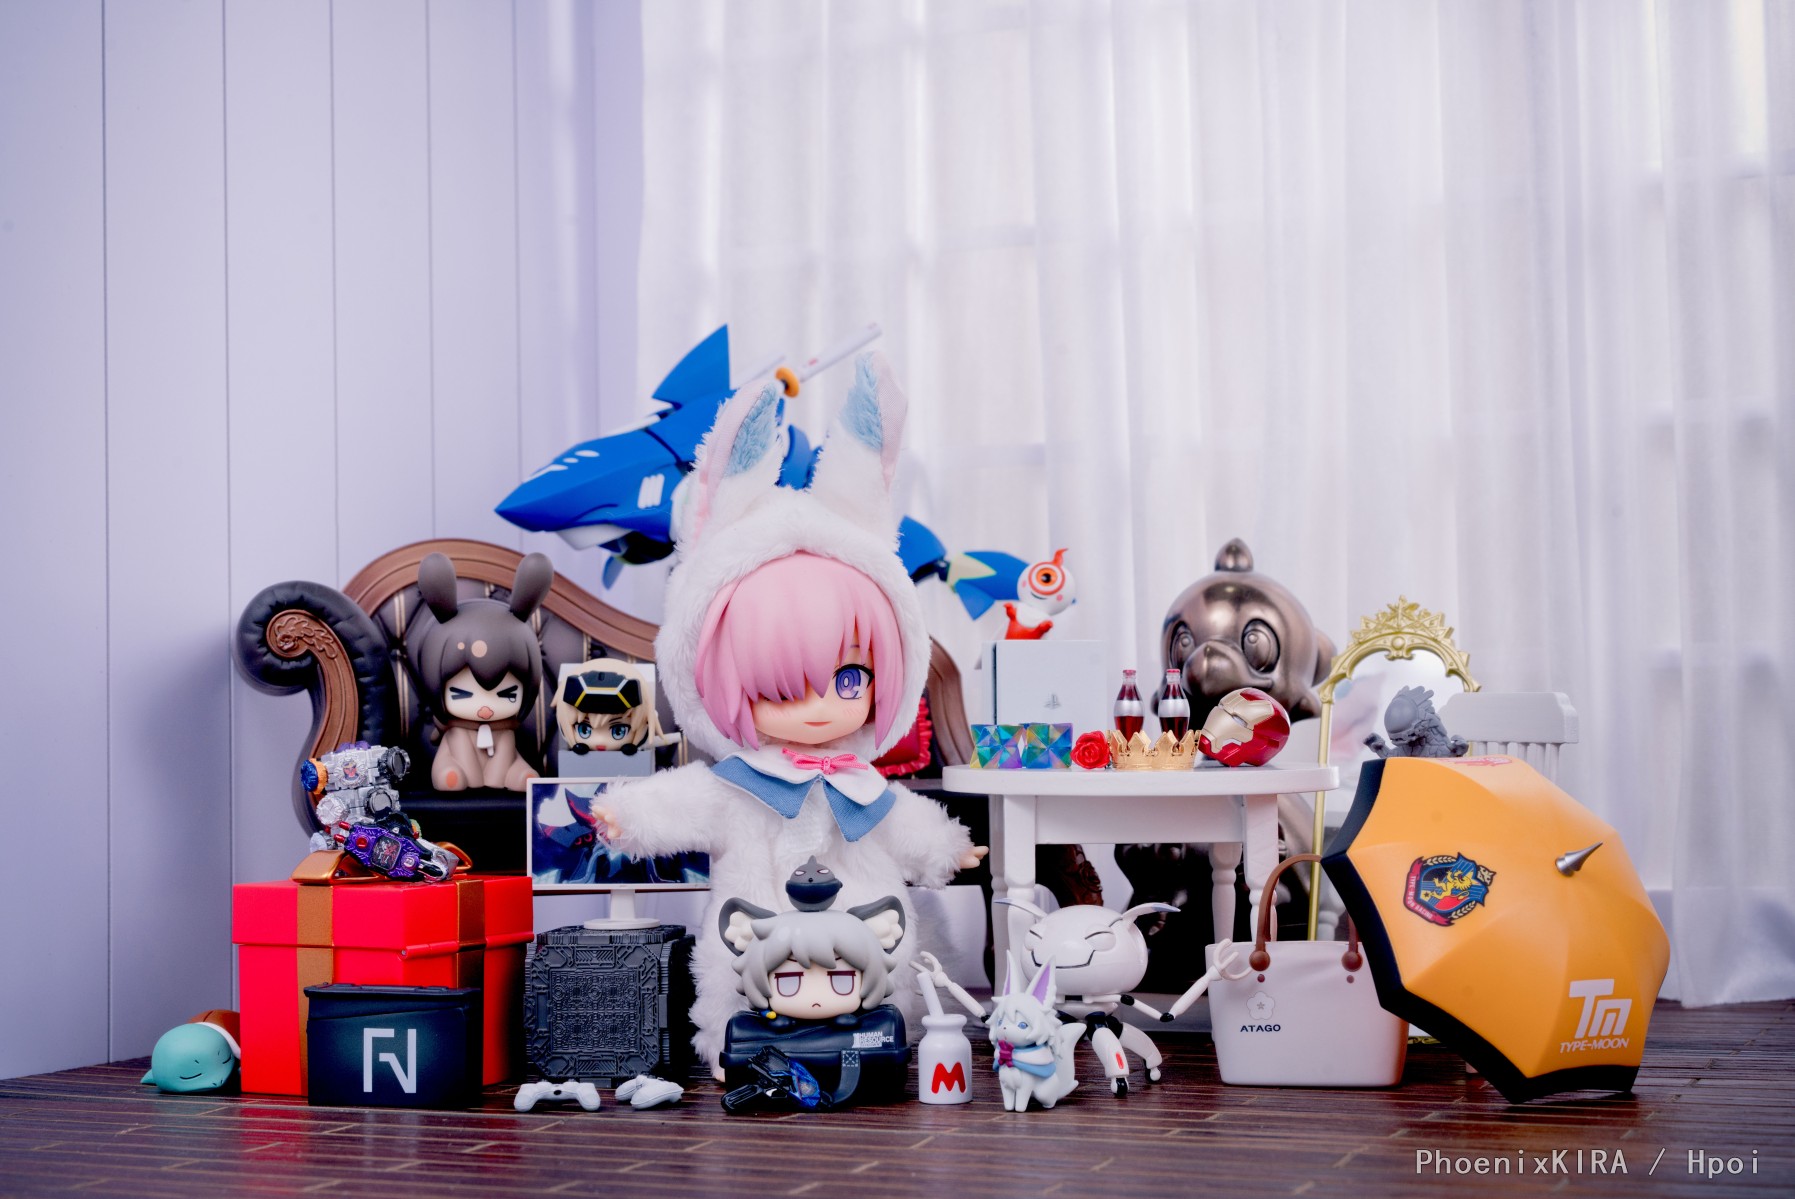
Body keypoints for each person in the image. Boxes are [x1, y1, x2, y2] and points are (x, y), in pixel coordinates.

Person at [590, 352, 984, 1072]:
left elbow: (900, 822)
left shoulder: (860, 784)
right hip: (760, 926)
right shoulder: (737, 786)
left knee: (887, 958)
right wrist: (627, 815)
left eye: (848, 678)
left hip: (863, 926)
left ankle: (880, 1039)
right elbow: (681, 802)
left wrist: (945, 850)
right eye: (780, 687)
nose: (818, 707)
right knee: (742, 967)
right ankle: (742, 1044)